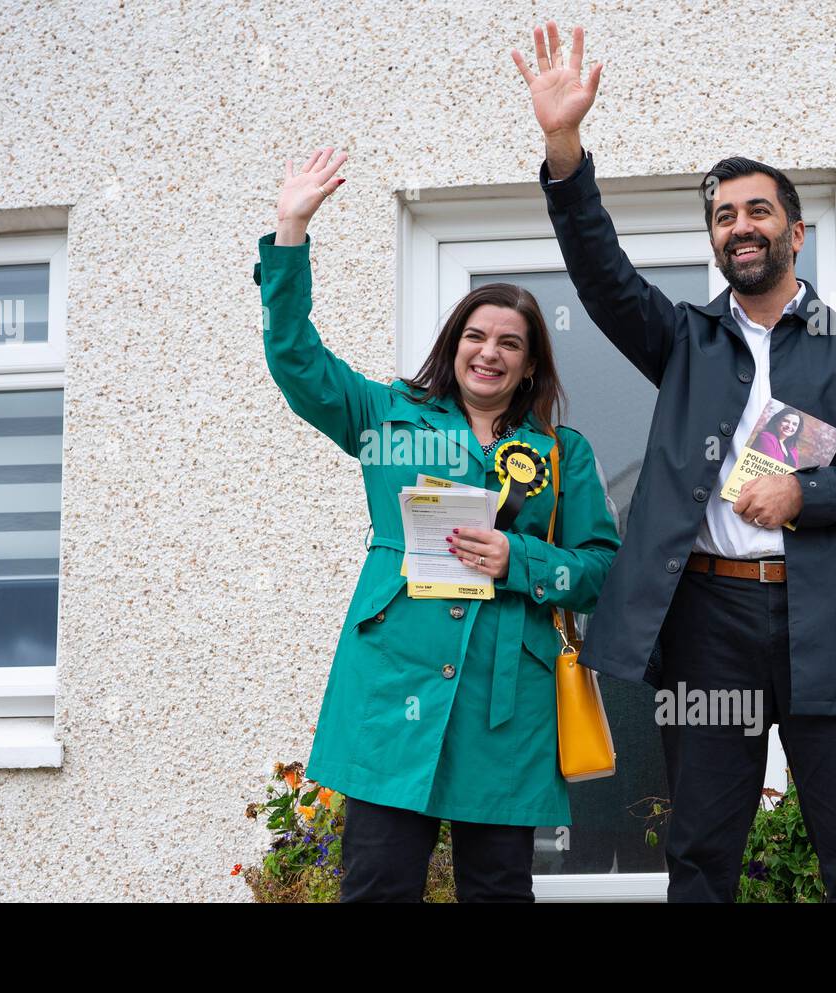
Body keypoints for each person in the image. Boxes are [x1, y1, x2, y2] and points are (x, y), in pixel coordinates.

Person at [512, 22, 836, 902]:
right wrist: (565, 150)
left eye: (757, 211)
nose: (739, 227)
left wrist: (809, 493)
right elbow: (601, 272)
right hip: (708, 619)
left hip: (827, 622)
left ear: (796, 230)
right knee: (701, 854)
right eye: (723, 215)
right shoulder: (685, 339)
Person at [254, 147, 621, 902]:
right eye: (476, 336)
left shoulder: (562, 452)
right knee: (378, 885)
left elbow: (600, 570)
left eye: (510, 343)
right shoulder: (387, 416)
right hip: (394, 689)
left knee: (497, 891)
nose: (489, 352)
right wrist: (291, 230)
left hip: (506, 708)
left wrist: (517, 556)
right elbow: (296, 359)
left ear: (529, 366)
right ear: (455, 345)